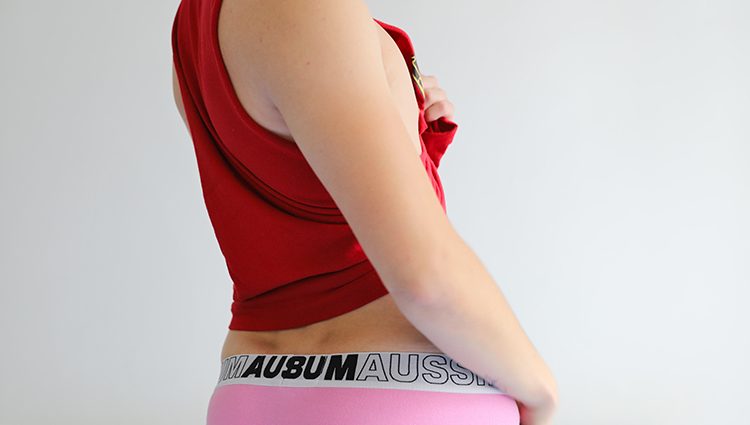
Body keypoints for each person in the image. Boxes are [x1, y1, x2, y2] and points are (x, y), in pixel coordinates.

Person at [171, 0, 558, 423]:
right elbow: (426, 277)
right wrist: (541, 392)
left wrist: (410, 138)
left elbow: (291, 206)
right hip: (400, 394)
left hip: (248, 386)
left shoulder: (195, 26)